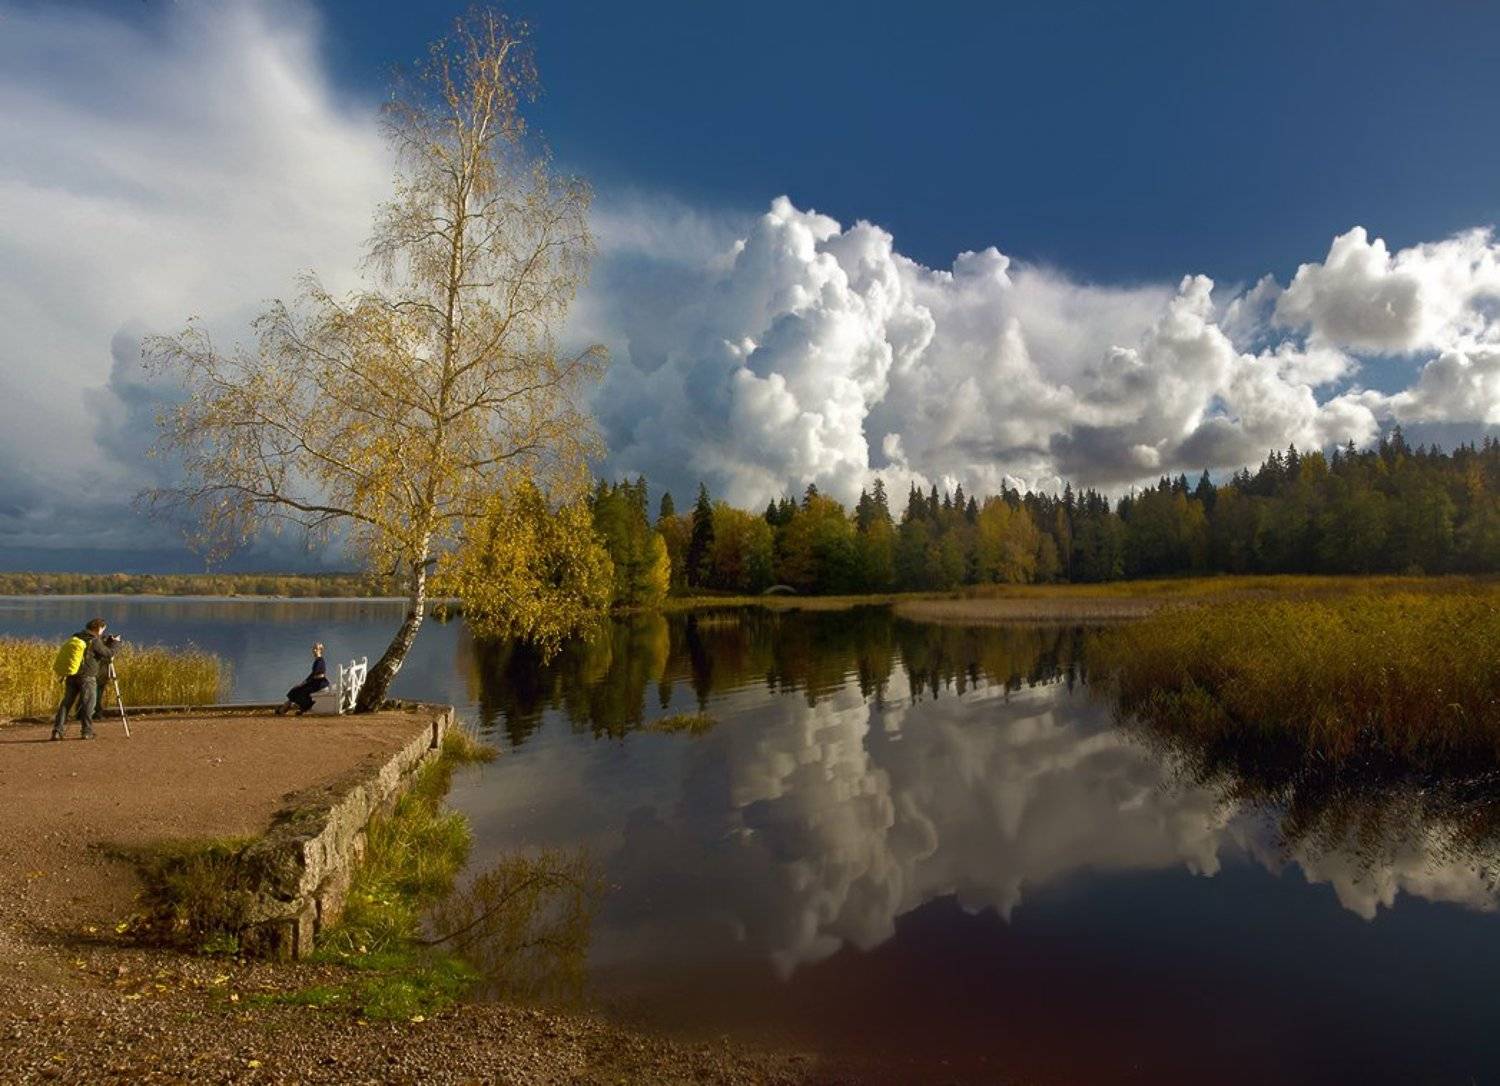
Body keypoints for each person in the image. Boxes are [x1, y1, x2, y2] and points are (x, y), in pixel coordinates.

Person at [52, 618, 118, 740]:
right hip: (87, 677)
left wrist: (105, 642)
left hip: (72, 675)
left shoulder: (77, 636)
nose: (103, 632)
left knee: (66, 704)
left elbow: (93, 651)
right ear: (98, 628)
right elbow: (108, 654)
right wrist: (114, 643)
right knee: (89, 704)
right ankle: (86, 731)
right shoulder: (94, 641)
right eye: (103, 629)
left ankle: (57, 731)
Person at [277, 642, 329, 715]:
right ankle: (288, 708)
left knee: (299, 690)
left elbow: (315, 674)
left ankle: (287, 709)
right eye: (313, 649)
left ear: (320, 650)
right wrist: (304, 683)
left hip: (319, 683)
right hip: (316, 682)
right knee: (296, 690)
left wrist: (304, 683)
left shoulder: (320, 661)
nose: (314, 650)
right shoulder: (318, 660)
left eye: (316, 649)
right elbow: (313, 675)